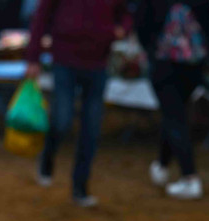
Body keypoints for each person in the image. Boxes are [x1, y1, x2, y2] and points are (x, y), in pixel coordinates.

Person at [25, 0, 131, 207]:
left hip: (98, 63)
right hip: (65, 60)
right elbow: (41, 17)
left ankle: (80, 187)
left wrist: (121, 29)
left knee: (91, 128)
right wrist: (33, 58)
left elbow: (125, 14)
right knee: (62, 119)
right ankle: (49, 153)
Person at [136, 0, 209, 200]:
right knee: (174, 114)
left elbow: (142, 25)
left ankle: (190, 178)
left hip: (166, 64)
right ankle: (162, 165)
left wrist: (152, 51)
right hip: (193, 66)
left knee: (174, 117)